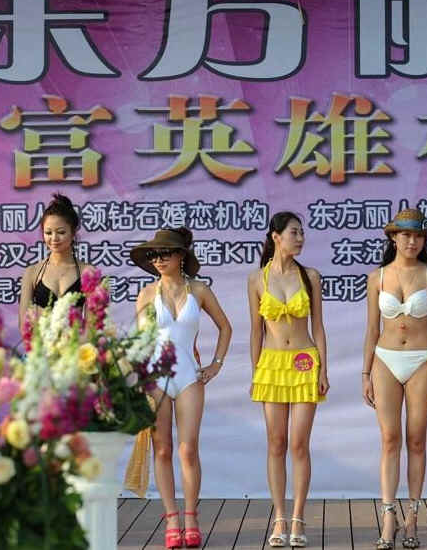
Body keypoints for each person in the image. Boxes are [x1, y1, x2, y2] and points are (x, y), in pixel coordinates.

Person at [128, 228, 232, 549]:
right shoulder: (146, 294)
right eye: (153, 255)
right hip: (155, 378)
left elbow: (225, 327)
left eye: (165, 253)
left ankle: (190, 517)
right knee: (162, 449)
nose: (158, 260)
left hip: (189, 375)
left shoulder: (199, 290)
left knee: (188, 449)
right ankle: (171, 518)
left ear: (181, 256)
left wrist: (216, 364)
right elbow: (140, 342)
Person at [360, 208, 427, 550]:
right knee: (389, 438)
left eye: (418, 236)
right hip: (385, 358)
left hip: (423, 359)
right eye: (406, 235)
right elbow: (372, 328)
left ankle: (412, 515)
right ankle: (388, 515)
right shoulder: (377, 277)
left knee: (416, 439)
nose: (412, 241)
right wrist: (365, 372)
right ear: (393, 237)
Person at [247, 211, 329, 548]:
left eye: (302, 233)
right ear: (276, 237)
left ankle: (298, 517)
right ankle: (279, 516)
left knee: (298, 443)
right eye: (294, 232)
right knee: (276, 442)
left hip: (304, 362)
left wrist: (323, 369)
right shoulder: (257, 279)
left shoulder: (310, 276)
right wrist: (256, 371)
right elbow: (255, 331)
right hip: (271, 363)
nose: (300, 238)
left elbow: (318, 326)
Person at [18, 193, 94, 330]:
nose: (54, 238)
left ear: (73, 232)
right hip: (40, 342)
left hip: (76, 341)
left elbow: (92, 325)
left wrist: (74, 342)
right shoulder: (32, 272)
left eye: (61, 232)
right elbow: (24, 323)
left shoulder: (87, 272)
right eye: (48, 232)